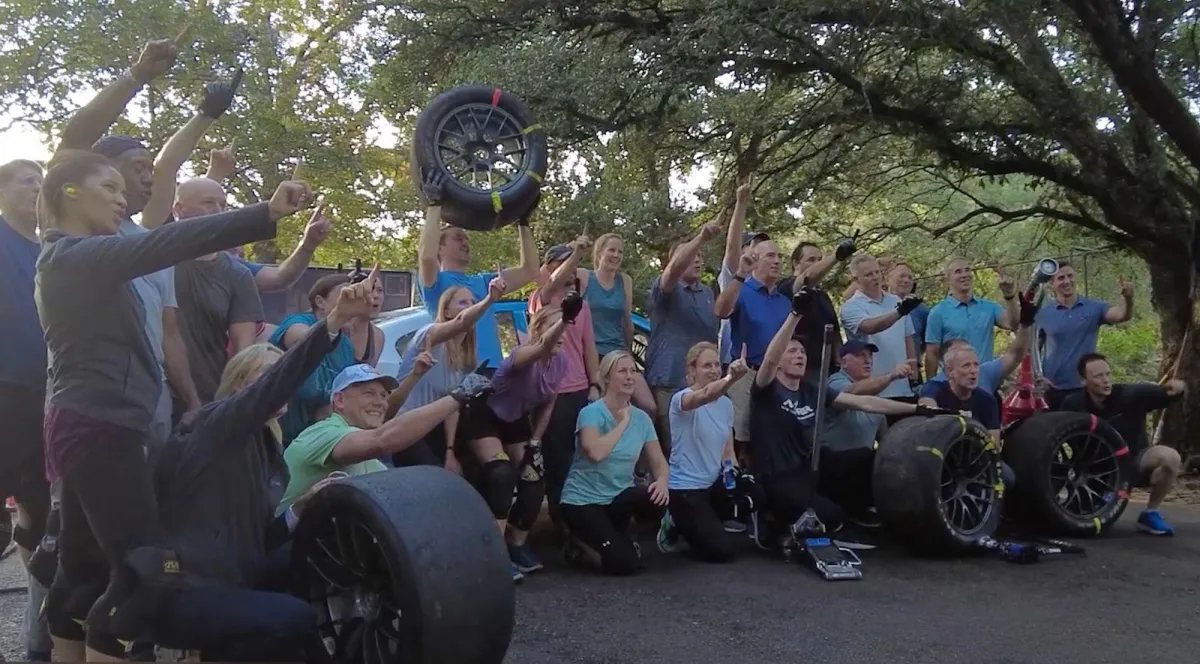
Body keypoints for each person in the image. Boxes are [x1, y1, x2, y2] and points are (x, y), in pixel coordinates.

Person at [35, 149, 314, 648]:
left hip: (89, 425)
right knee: (145, 575)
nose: (123, 200)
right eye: (109, 188)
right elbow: (167, 241)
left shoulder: (79, 261)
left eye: (125, 191)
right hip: (102, 427)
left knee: (82, 574)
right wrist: (263, 214)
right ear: (68, 192)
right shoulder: (71, 258)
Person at [140, 268, 377, 662]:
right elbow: (277, 384)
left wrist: (302, 507)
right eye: (265, 379)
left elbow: (259, 540)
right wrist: (333, 322)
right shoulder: (214, 426)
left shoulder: (267, 445)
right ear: (239, 385)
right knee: (297, 617)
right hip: (186, 587)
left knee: (312, 553)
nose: (278, 386)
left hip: (234, 576)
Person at [747, 287, 952, 548]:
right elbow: (768, 359)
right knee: (830, 517)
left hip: (808, 470)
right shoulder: (766, 389)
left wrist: (917, 410)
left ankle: (856, 513)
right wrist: (796, 314)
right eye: (792, 351)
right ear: (779, 361)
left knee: (864, 459)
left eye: (801, 351)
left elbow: (864, 402)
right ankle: (776, 522)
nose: (799, 355)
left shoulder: (813, 389)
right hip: (777, 477)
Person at [460, 300, 578, 580]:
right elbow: (541, 348)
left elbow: (548, 403)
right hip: (485, 416)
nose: (561, 334)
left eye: (565, 327)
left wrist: (536, 441)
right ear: (539, 330)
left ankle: (516, 543)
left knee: (534, 480)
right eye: (554, 327)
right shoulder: (523, 355)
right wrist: (564, 321)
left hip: (515, 423)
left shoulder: (561, 362)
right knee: (501, 475)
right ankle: (494, 553)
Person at [278, 362, 492, 511]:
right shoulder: (324, 432)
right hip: (281, 552)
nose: (380, 402)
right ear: (340, 401)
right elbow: (382, 440)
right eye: (368, 393)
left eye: (383, 395)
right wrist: (458, 396)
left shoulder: (367, 457)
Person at [0, 158, 53, 661]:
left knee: (41, 517)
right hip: (4, 390)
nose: (36, 188)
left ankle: (41, 642)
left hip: (49, 394)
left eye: (41, 181)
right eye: (25, 179)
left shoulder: (52, 249)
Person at [416, 169, 539, 369]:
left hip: (493, 372)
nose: (465, 242)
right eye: (458, 238)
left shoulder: (484, 282)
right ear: (440, 248)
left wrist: (523, 223)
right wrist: (435, 204)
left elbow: (530, 270)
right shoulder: (435, 284)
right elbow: (426, 256)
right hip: (458, 374)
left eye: (466, 238)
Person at [560, 351, 669, 576]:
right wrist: (623, 422)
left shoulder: (642, 419)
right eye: (622, 371)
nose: (630, 377)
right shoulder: (590, 413)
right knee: (625, 566)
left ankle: (621, 534)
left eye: (633, 371)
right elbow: (596, 453)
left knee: (657, 496)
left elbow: (659, 462)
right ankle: (579, 545)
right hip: (582, 501)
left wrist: (663, 481)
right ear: (607, 378)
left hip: (617, 497)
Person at [385, 277, 506, 471]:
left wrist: (450, 451)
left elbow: (451, 404)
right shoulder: (430, 336)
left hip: (432, 427)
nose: (470, 306)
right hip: (403, 425)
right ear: (447, 311)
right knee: (433, 474)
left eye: (473, 302)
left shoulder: (466, 358)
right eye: (463, 302)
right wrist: (489, 300)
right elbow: (461, 322)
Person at [1061, 353, 1185, 536]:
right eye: (1098, 376)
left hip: (1134, 463)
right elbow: (1050, 432)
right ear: (1083, 380)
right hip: (1094, 473)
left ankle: (1150, 514)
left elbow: (1168, 392)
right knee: (1078, 525)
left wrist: (1179, 387)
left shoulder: (1131, 395)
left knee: (1170, 458)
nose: (1105, 380)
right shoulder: (1072, 404)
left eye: (1108, 374)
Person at [170, 176, 268, 404]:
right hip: (153, 393)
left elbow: (244, 351)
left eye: (223, 205)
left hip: (211, 394)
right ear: (179, 209)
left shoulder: (237, 273)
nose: (218, 211)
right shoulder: (155, 259)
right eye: (208, 203)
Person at [528, 239, 601, 527]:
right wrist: (578, 253)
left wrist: (595, 384)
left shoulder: (581, 305)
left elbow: (589, 347)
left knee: (582, 457)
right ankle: (562, 523)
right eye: (562, 264)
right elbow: (553, 283)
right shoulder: (540, 300)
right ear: (548, 269)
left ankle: (582, 519)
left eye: (573, 264)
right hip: (550, 394)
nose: (571, 270)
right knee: (558, 462)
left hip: (580, 390)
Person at [655, 342, 748, 562]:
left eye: (717, 364)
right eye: (707, 365)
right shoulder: (682, 399)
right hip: (686, 489)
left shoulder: (726, 405)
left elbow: (727, 451)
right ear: (691, 371)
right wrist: (731, 379)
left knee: (755, 494)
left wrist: (734, 475)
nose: (714, 370)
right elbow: (705, 395)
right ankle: (675, 521)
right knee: (722, 552)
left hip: (712, 484)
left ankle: (709, 520)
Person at [270, 271, 385, 443]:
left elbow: (336, 401)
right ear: (320, 302)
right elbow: (303, 340)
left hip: (311, 440)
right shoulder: (298, 322)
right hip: (276, 435)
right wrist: (339, 316)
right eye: (344, 295)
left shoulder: (346, 346)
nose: (351, 300)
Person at [645, 222, 722, 452]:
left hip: (705, 383)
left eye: (699, 256)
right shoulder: (665, 289)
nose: (697, 260)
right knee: (677, 450)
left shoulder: (708, 293)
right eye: (691, 256)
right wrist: (701, 237)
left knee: (706, 447)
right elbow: (672, 272)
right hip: (670, 381)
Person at [821, 340, 911, 527]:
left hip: (858, 472)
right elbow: (853, 393)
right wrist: (892, 376)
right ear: (844, 361)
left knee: (891, 459)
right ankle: (856, 512)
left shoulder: (875, 398)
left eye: (869, 356)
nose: (867, 360)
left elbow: (886, 442)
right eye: (860, 355)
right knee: (864, 456)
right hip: (830, 467)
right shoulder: (835, 382)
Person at [713, 233, 790, 451]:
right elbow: (720, 310)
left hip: (778, 379)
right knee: (742, 440)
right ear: (755, 260)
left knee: (775, 436)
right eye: (770, 256)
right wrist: (740, 274)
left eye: (779, 256)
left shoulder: (785, 302)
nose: (777, 261)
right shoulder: (742, 290)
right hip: (746, 376)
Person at [579, 232, 657, 417]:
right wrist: (574, 250)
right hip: (592, 354)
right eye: (611, 250)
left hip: (618, 352)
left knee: (649, 406)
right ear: (599, 253)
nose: (616, 255)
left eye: (620, 252)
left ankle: (640, 443)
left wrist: (629, 354)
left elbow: (627, 320)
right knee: (604, 409)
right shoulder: (584, 277)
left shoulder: (625, 281)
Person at [1038, 263, 1134, 408]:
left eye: (1070, 276)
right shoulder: (1043, 314)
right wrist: (1038, 377)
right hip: (1053, 388)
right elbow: (1031, 349)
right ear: (1052, 284)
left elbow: (1121, 315)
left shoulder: (1094, 308)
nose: (1067, 281)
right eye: (1061, 278)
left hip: (1086, 387)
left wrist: (1128, 299)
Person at [839, 254, 921, 405]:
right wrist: (898, 313)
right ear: (855, 279)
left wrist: (914, 375)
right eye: (868, 274)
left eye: (877, 272)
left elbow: (908, 337)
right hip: (873, 389)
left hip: (903, 386)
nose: (875, 277)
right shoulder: (851, 306)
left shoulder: (895, 301)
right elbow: (870, 327)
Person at [923, 257, 1020, 377]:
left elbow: (1013, 324)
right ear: (948, 280)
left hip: (986, 380)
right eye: (958, 271)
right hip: (954, 384)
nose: (964, 275)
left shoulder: (989, 307)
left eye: (967, 270)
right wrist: (932, 388)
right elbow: (932, 354)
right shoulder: (938, 313)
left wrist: (1009, 295)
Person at [782, 239, 855, 380]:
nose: (817, 263)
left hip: (827, 370)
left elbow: (834, 332)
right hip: (801, 368)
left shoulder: (822, 294)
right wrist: (836, 256)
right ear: (796, 263)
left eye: (819, 259)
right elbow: (807, 278)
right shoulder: (789, 286)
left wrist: (839, 366)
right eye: (811, 259)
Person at [716, 177, 754, 372]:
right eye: (751, 246)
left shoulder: (770, 289)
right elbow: (732, 247)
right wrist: (741, 203)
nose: (756, 251)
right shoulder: (734, 275)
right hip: (730, 362)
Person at [887, 262, 930, 378]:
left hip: (912, 372)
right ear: (888, 279)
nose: (906, 280)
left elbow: (928, 342)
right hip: (883, 371)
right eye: (901, 276)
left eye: (910, 277)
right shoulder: (877, 305)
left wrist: (915, 356)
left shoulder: (921, 310)